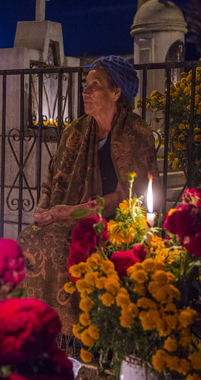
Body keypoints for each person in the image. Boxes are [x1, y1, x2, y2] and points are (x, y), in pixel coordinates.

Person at [18, 55, 162, 336]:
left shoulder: (135, 132)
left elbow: (127, 196)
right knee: (30, 238)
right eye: (85, 85)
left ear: (116, 92)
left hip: (116, 222)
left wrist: (69, 212)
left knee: (63, 243)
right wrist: (43, 209)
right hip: (74, 215)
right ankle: (39, 329)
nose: (85, 91)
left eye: (94, 85)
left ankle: (78, 336)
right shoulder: (76, 131)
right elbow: (53, 179)